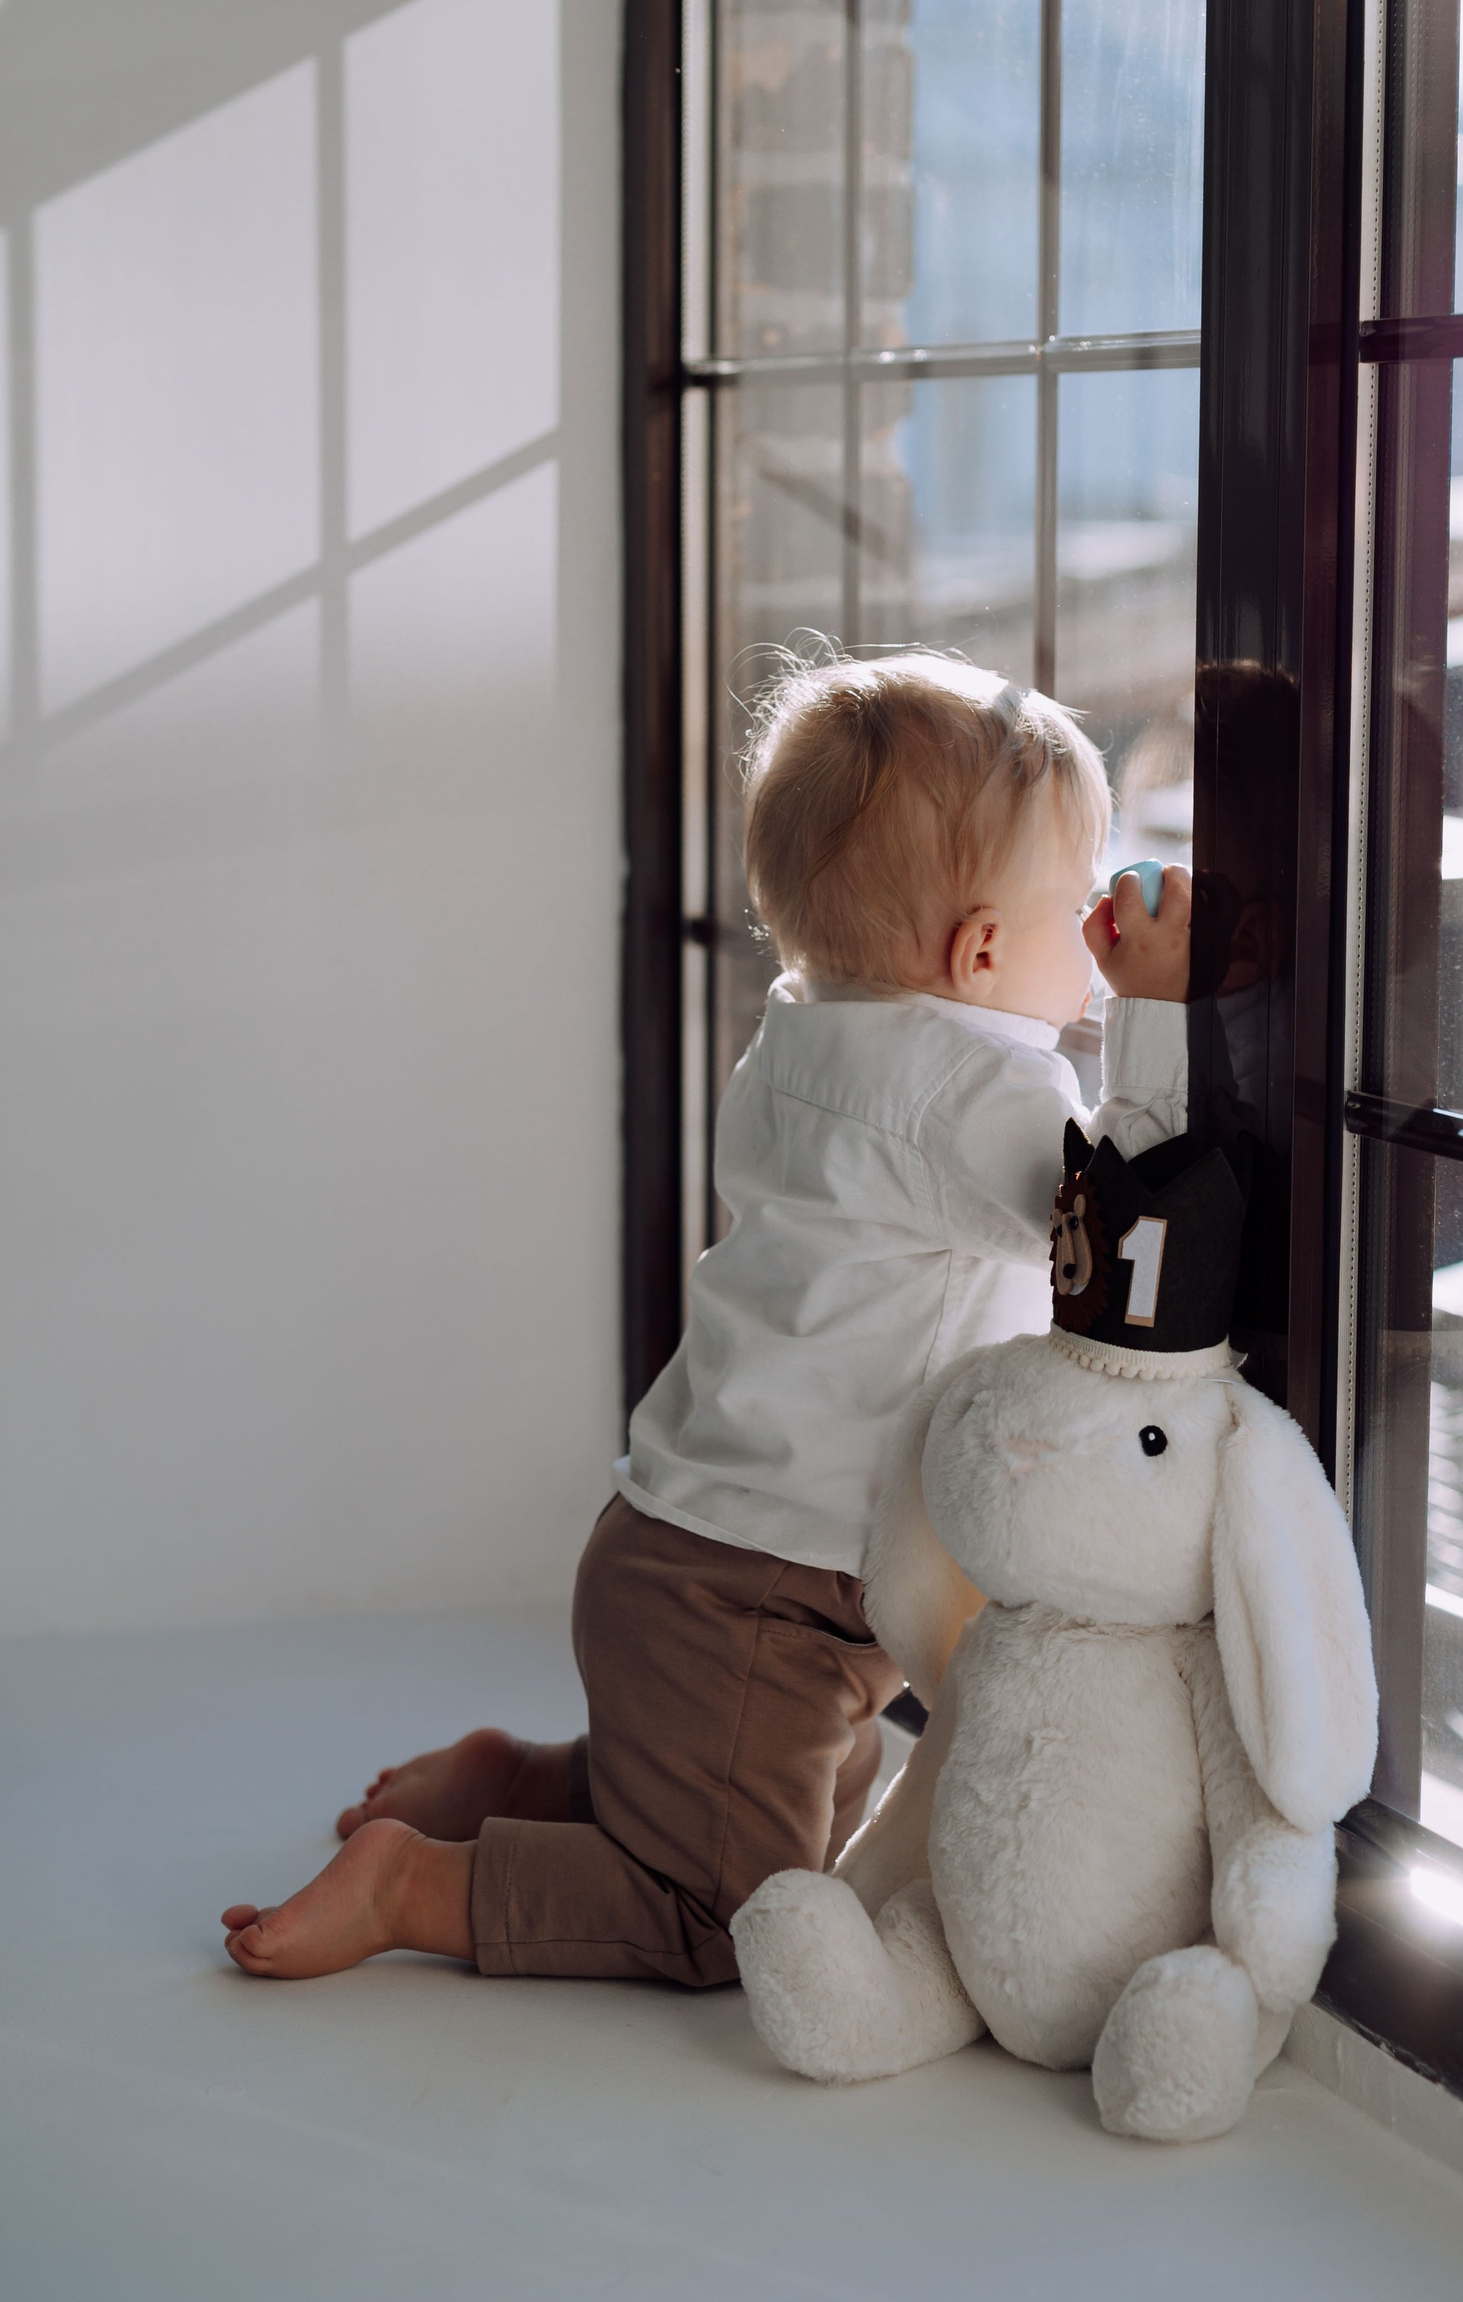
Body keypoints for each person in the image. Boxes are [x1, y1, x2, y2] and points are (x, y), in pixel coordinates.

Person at [221, 654, 1191, 1985]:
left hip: (691, 1554)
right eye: (1075, 907)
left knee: (749, 1813)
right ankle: (414, 1888)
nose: (1094, 932)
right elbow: (1118, 1219)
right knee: (721, 1915)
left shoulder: (808, 1034)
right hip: (760, 1598)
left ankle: (525, 1784)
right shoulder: (973, 1097)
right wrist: (1155, 1013)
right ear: (978, 951)